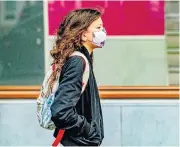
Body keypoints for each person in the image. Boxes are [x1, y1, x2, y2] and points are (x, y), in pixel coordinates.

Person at [50, 8, 107, 146]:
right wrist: (88, 130)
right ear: (83, 35)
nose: (103, 32)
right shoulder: (77, 62)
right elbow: (61, 111)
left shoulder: (82, 59)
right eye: (98, 28)